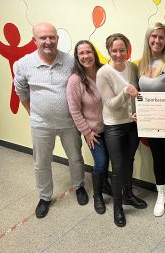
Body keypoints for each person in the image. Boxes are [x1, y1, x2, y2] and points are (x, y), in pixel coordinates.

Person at [14, 22, 88, 219]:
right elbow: (20, 90)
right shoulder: (23, 64)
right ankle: (45, 197)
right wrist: (33, 113)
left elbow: (82, 87)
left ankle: (79, 186)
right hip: (41, 124)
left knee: (76, 157)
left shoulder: (72, 61)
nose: (48, 41)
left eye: (52, 37)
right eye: (43, 38)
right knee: (41, 162)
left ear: (57, 38)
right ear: (34, 40)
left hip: (69, 122)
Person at [96, 33, 147, 227]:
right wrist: (126, 92)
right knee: (117, 168)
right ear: (108, 51)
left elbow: (138, 96)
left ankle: (128, 195)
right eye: (114, 50)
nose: (118, 54)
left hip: (132, 124)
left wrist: (138, 112)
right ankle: (118, 207)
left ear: (128, 50)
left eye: (122, 50)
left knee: (130, 161)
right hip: (114, 126)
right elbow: (110, 104)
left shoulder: (132, 67)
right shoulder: (103, 73)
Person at [137, 22, 165, 221]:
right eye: (154, 36)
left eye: (161, 37)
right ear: (148, 39)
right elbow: (140, 94)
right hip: (151, 125)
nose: (157, 40)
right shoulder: (141, 64)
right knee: (158, 163)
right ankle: (160, 196)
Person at [67, 40, 112, 215]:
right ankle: (98, 196)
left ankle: (105, 185)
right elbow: (74, 109)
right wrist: (86, 132)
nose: (86, 56)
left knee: (110, 159)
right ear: (77, 57)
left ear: (94, 53)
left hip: (111, 126)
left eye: (89, 52)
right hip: (93, 131)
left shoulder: (104, 72)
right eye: (81, 53)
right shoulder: (75, 80)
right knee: (100, 162)